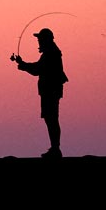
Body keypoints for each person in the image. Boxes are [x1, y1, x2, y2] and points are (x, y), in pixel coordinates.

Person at [12, 28, 68, 158]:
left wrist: (23, 65)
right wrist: (23, 64)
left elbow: (38, 69)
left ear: (46, 40)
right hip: (50, 91)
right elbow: (38, 69)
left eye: (40, 39)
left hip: (50, 91)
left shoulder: (51, 53)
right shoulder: (51, 53)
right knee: (51, 119)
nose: (38, 42)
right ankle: (55, 148)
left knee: (51, 119)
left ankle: (55, 149)